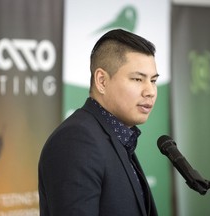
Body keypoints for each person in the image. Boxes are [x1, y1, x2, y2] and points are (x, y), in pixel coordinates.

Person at [38, 29, 159, 216]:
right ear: (102, 81)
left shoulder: (118, 137)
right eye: (137, 79)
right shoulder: (76, 140)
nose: (150, 91)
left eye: (153, 80)